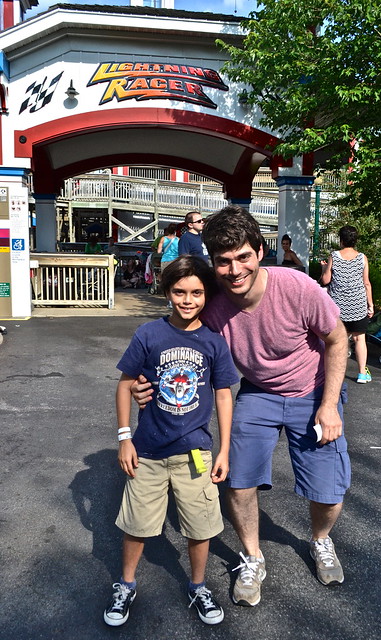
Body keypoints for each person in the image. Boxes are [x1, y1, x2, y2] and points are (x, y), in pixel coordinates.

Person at [132, 205, 350, 608]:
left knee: (329, 490)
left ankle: (321, 539)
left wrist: (330, 404)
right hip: (258, 393)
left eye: (243, 257)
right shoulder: (213, 303)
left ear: (260, 251)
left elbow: (338, 340)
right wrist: (145, 383)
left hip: (313, 389)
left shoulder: (297, 286)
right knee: (238, 480)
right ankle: (252, 556)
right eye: (224, 261)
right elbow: (173, 341)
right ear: (214, 262)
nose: (234, 270)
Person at [103, 255, 239, 628]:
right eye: (179, 291)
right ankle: (126, 583)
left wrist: (224, 449)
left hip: (195, 452)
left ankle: (198, 585)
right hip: (146, 452)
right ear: (167, 292)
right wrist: (124, 438)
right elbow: (125, 384)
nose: (188, 299)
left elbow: (224, 394)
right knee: (137, 524)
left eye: (196, 292)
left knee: (201, 526)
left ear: (206, 295)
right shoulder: (149, 334)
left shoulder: (213, 341)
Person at [320, 225, 374, 383]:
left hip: (338, 308)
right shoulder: (362, 258)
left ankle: (332, 373)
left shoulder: (334, 256)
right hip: (358, 306)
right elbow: (367, 284)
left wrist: (324, 268)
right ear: (355, 240)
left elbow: (325, 281)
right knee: (359, 339)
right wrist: (370, 305)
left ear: (341, 240)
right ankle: (362, 374)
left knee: (336, 340)